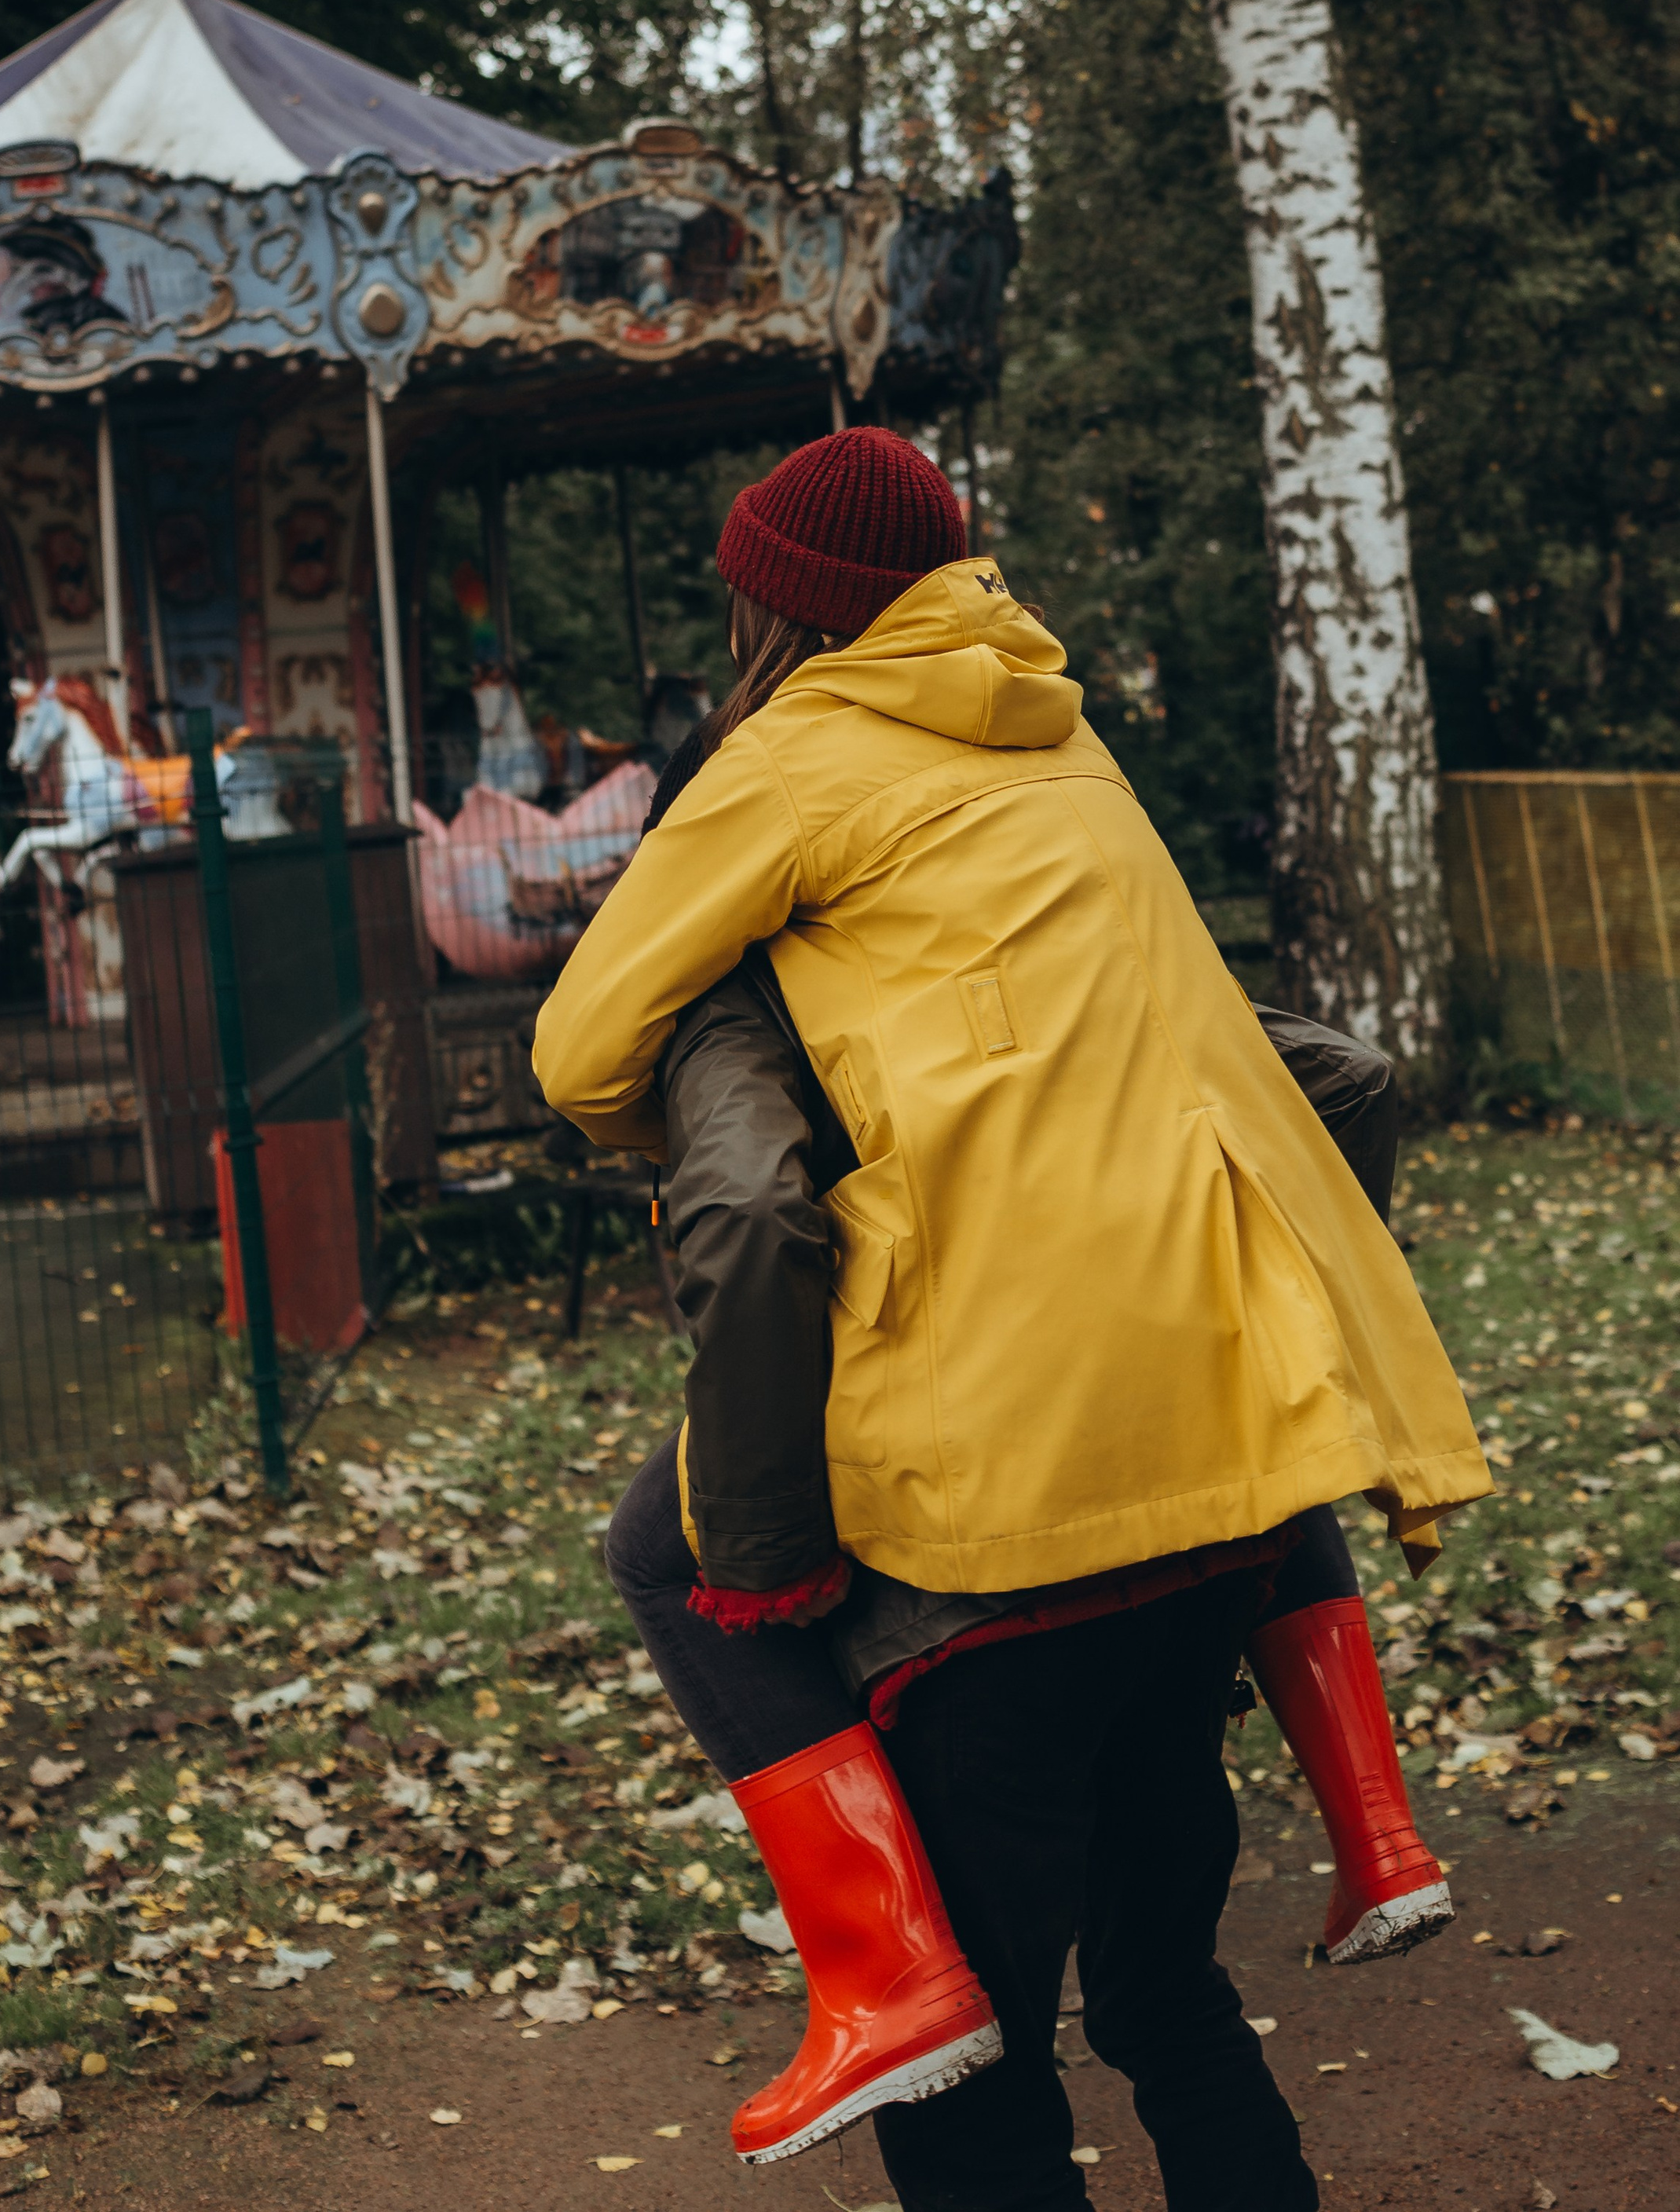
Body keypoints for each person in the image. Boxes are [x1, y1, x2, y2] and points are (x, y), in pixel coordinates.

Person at [532, 428, 1491, 2207]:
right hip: (1209, 1479)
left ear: (773, 610)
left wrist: (726, 1081)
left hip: (998, 1514)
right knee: (1169, 1992)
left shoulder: (790, 762)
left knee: (967, 2071)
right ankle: (1372, 1818)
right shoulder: (1059, 732)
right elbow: (1282, 1063)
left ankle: (877, 1966)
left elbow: (581, 1045)